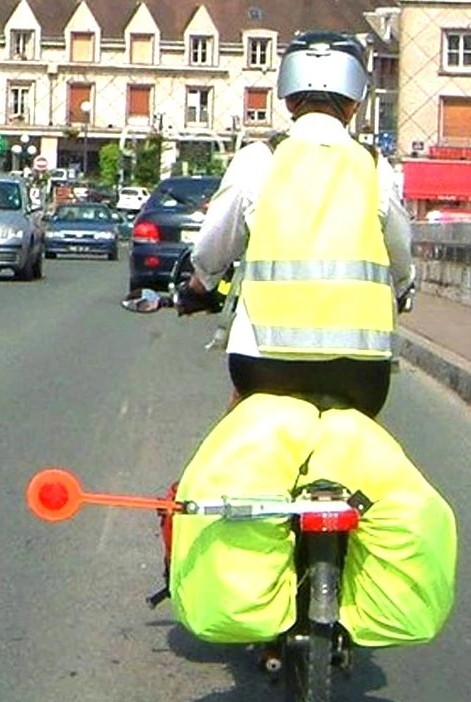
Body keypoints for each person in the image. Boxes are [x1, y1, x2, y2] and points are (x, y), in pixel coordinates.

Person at [176, 30, 415, 419]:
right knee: (365, 445)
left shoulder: (259, 159)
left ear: (288, 97)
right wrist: (402, 289)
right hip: (360, 366)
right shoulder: (375, 168)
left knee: (238, 441)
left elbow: (212, 248)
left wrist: (198, 287)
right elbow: (400, 252)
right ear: (355, 101)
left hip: (264, 362)